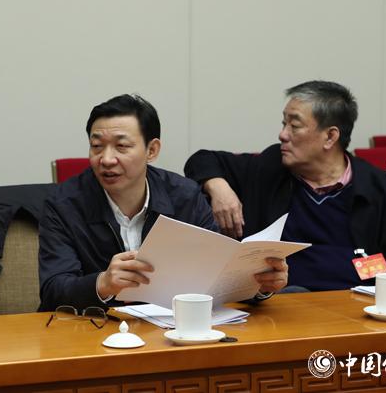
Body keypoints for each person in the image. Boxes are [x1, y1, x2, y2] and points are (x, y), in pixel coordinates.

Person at [185, 80, 386, 292]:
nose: (282, 134)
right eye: (284, 123)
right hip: (282, 305)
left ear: (330, 136)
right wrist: (219, 188)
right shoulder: (269, 167)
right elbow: (202, 160)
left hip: (357, 308)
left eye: (294, 125)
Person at [38, 94, 288, 311]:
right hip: (93, 329)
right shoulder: (63, 204)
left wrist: (259, 285)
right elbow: (52, 290)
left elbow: (216, 276)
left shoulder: (184, 196)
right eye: (96, 146)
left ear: (152, 150)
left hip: (171, 329)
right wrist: (103, 283)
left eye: (121, 146)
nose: (106, 159)